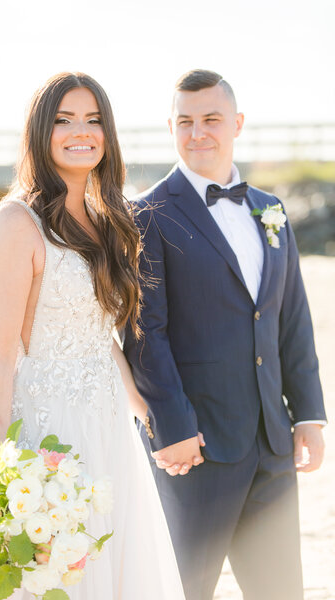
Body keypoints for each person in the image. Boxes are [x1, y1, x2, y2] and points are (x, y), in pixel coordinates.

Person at [0, 72, 186, 599]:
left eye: (94, 120)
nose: (82, 131)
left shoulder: (106, 219)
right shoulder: (15, 223)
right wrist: (1, 476)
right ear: (40, 132)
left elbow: (101, 339)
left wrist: (150, 414)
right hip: (41, 435)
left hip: (107, 428)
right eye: (64, 119)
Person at [124, 69, 327, 600]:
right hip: (195, 448)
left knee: (281, 590)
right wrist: (172, 429)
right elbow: (145, 333)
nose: (198, 134)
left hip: (272, 442)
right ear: (171, 126)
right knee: (185, 589)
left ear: (236, 123)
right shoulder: (145, 215)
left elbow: (291, 320)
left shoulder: (270, 209)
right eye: (185, 122)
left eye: (211, 119)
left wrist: (307, 415)